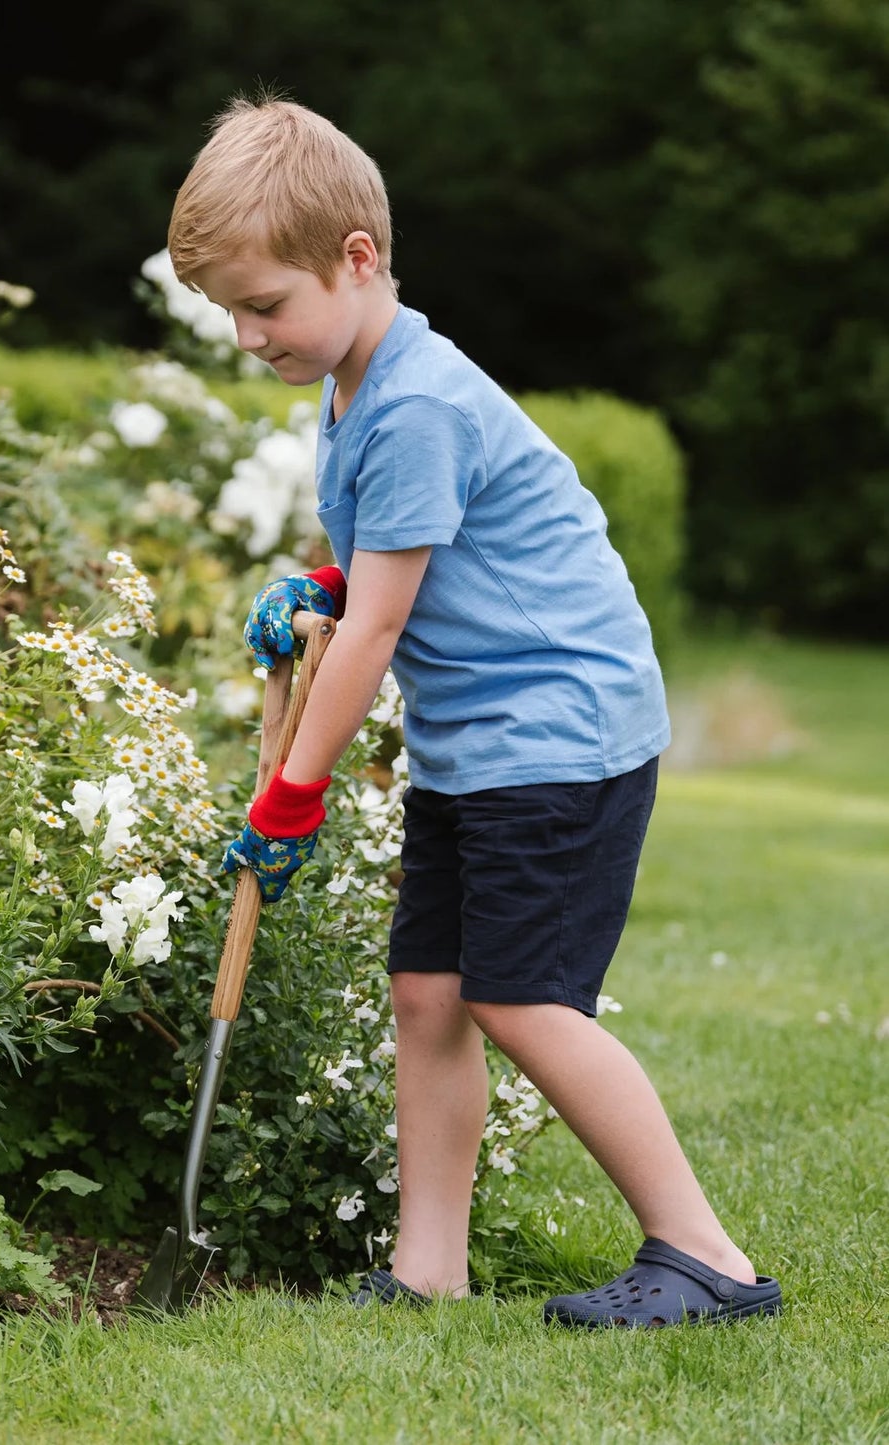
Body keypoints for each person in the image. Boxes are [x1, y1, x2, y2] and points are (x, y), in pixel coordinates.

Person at [165, 91, 782, 1328]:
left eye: (263, 303)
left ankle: (703, 1252)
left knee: (518, 994)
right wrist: (323, 584)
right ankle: (426, 1266)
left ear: (355, 258)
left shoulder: (413, 403)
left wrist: (293, 793)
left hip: (556, 731)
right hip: (481, 743)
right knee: (427, 992)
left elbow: (380, 630)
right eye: (228, 310)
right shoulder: (355, 383)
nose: (244, 334)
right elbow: (397, 570)